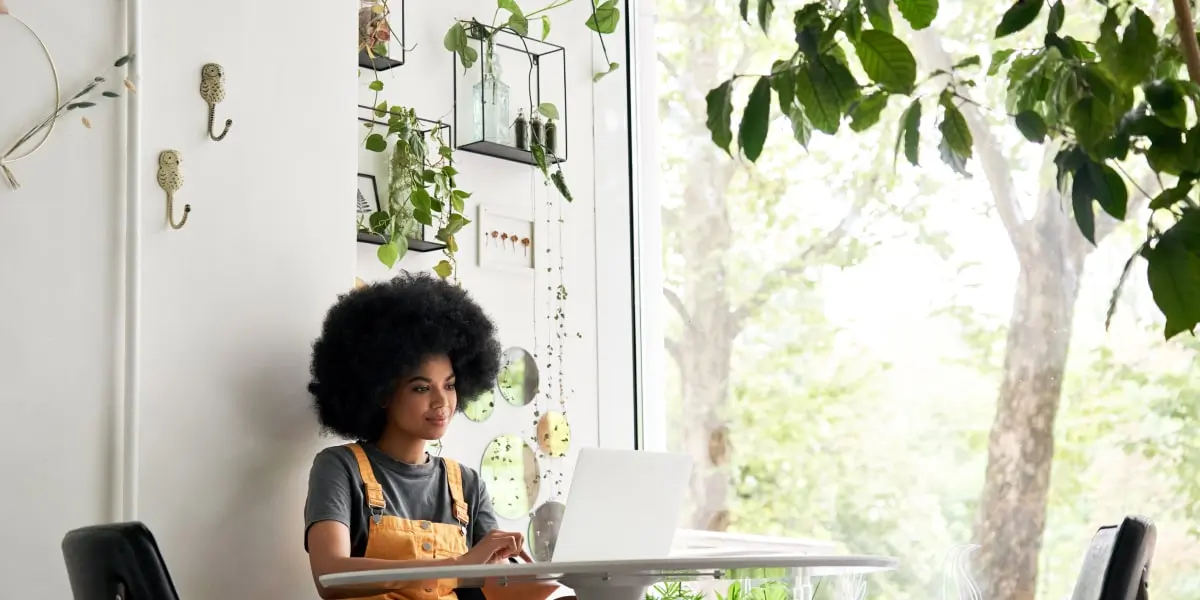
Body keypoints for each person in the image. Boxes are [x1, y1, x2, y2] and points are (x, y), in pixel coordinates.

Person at [304, 273, 556, 600]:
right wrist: (457, 565)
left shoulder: (467, 485)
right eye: (422, 388)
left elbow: (489, 590)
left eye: (450, 386)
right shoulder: (340, 467)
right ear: (380, 392)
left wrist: (546, 581)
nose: (442, 402)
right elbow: (329, 575)